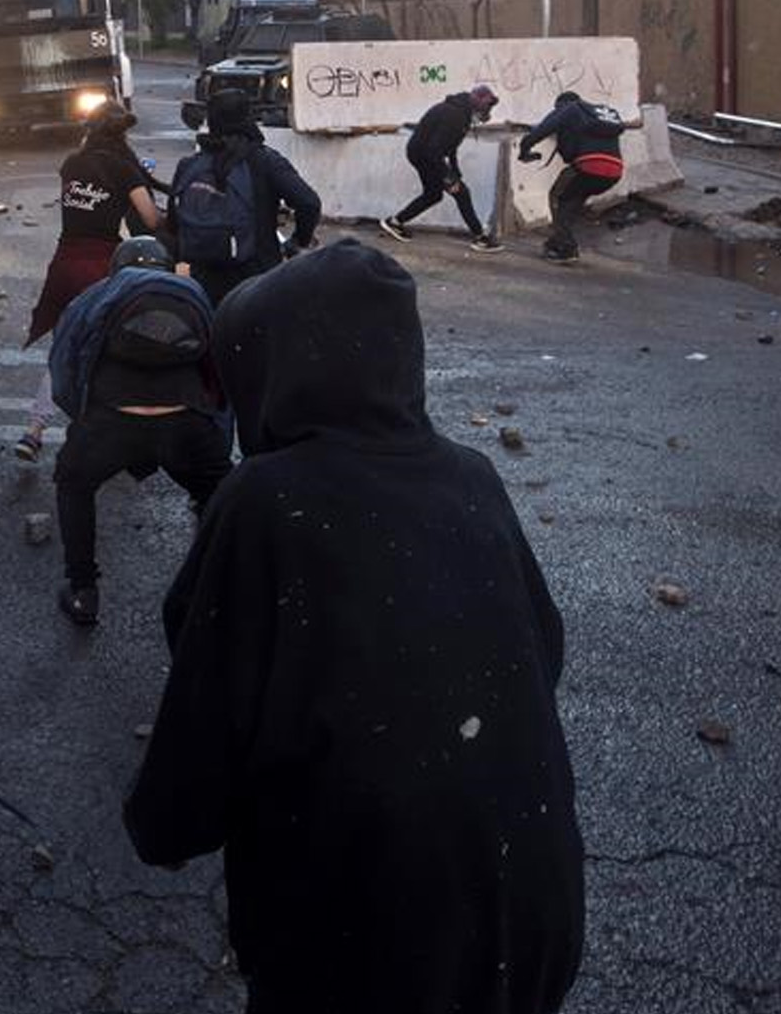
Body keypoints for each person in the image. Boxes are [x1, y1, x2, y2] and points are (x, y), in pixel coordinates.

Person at [124, 239, 585, 1014]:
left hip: (366, 935)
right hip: (531, 905)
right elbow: (546, 648)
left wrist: (164, 823)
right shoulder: (471, 475)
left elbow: (210, 708)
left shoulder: (264, 501)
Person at [47, 237, 233, 627]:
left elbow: (63, 358)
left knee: (73, 483)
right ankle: (219, 592)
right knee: (220, 499)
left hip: (111, 421)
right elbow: (218, 370)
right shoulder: (193, 292)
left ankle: (83, 592)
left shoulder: (100, 293)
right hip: (186, 423)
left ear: (117, 267)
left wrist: (81, 418)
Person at [15, 100, 161, 463]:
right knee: (107, 347)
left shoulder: (72, 164)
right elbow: (152, 220)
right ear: (121, 133)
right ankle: (111, 430)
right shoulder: (123, 169)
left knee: (65, 343)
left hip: (64, 263)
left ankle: (34, 430)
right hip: (99, 267)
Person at [165, 88, 321, 307]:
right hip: (257, 278)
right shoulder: (265, 161)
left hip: (205, 280)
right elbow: (309, 203)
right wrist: (297, 242)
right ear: (248, 118)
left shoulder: (190, 165)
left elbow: (174, 222)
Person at [379, 84, 506, 253]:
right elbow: (434, 151)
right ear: (477, 104)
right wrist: (449, 178)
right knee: (462, 193)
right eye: (487, 107)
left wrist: (455, 171)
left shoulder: (462, 113)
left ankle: (394, 222)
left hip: (423, 153)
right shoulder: (455, 116)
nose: (488, 113)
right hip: (423, 154)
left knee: (433, 195)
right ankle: (480, 238)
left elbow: (450, 147)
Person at [520, 91, 627, 264]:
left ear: (561, 105)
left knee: (557, 196)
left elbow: (544, 128)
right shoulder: (600, 115)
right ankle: (558, 240)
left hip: (588, 166)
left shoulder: (570, 109)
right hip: (614, 172)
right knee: (573, 199)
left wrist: (525, 148)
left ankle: (566, 248)